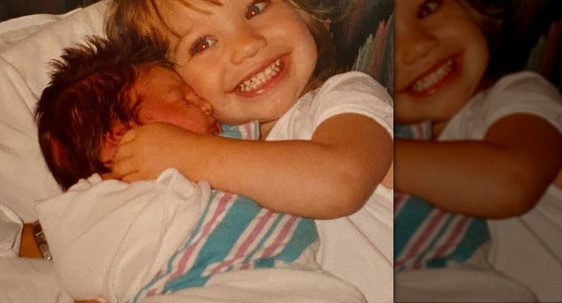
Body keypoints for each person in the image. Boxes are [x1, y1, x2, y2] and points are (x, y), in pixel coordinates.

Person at [102, 0, 394, 302]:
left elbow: (341, 182)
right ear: (176, 85)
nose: (246, 45)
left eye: (255, 8)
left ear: (300, 11)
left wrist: (186, 153)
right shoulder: (211, 164)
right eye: (202, 44)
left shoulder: (344, 100)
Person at [32, 35, 366, 302]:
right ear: (120, 135)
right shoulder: (95, 214)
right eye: (184, 99)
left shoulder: (208, 148)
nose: (205, 104)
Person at [392, 0, 562, 301]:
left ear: (471, 9)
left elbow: (511, 182)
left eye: (428, 8)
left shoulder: (516, 96)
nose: (418, 46)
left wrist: (373, 159)